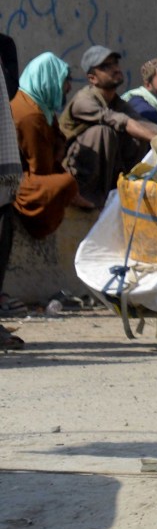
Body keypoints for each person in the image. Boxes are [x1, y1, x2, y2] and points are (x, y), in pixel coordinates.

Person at [0, 55, 83, 340]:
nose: (68, 87)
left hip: (19, 177)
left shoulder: (39, 108)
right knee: (66, 184)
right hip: (17, 182)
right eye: (64, 81)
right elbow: (41, 168)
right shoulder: (31, 115)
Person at [59, 46, 157, 209]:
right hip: (71, 170)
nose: (115, 69)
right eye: (106, 67)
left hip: (105, 171)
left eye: (115, 63)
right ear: (92, 78)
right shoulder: (83, 100)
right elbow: (121, 121)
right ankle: (85, 195)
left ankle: (125, 191)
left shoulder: (117, 102)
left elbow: (142, 123)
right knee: (103, 132)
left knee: (138, 135)